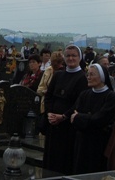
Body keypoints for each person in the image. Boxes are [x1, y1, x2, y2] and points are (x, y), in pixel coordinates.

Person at [43, 44, 88, 174]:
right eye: (68, 55)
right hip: (53, 124)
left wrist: (63, 116)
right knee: (51, 159)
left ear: (80, 58)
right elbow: (49, 96)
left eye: (74, 55)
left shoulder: (82, 78)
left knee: (64, 161)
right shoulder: (58, 75)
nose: (71, 58)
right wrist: (49, 113)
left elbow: (79, 103)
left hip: (68, 126)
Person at [70, 64, 115, 174]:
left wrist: (80, 118)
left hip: (99, 143)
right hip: (81, 143)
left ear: (102, 77)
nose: (88, 77)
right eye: (88, 74)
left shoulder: (111, 97)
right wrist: (86, 119)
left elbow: (100, 120)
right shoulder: (84, 94)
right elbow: (74, 117)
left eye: (92, 74)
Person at [37, 51, 64, 115]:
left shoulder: (64, 73)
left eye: (57, 63)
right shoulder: (48, 70)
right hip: (44, 105)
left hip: (56, 106)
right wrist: (43, 91)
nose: (54, 66)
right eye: (52, 63)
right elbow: (40, 87)